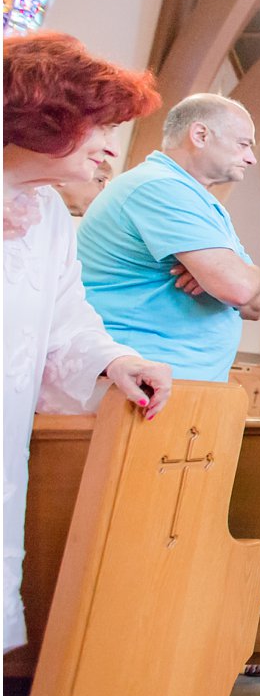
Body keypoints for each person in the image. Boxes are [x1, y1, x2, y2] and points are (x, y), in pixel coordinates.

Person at [4, 32, 173, 655]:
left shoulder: (46, 216)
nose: (110, 149)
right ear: (47, 115)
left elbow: (65, 322)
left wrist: (115, 363)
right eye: (101, 127)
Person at [78, 92, 260, 381]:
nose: (250, 158)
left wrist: (245, 274)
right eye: (243, 144)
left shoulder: (200, 201)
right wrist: (238, 275)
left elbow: (256, 306)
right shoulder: (158, 186)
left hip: (181, 383)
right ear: (200, 134)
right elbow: (239, 290)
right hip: (140, 380)